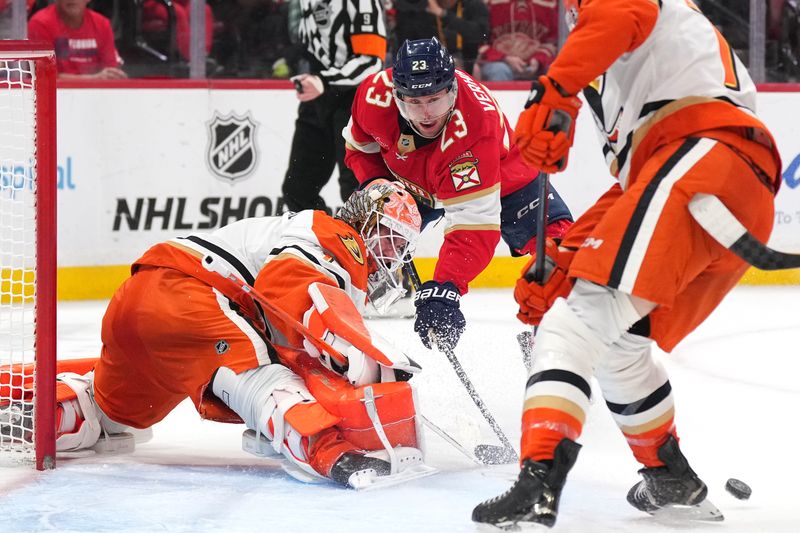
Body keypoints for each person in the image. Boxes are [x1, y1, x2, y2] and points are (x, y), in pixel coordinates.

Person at [472, 0, 782, 528]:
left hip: (702, 161)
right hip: (721, 185)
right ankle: (669, 476)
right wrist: (566, 261)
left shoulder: (611, 17)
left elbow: (618, 14)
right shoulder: (632, 62)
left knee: (574, 325)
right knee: (620, 340)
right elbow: (632, 192)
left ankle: (539, 482)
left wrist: (555, 90)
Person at [0, 180, 431, 489]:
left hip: (138, 304)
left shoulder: (305, 236)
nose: (393, 255)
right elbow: (291, 285)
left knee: (110, 413)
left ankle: (39, 416)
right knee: (267, 383)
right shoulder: (335, 236)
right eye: (392, 240)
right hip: (188, 295)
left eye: (403, 247)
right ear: (366, 224)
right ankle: (331, 453)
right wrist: (355, 355)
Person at [343, 37, 572, 352]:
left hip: (507, 179)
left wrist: (445, 286)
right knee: (354, 243)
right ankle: (338, 334)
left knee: (560, 257)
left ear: (452, 90)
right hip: (413, 181)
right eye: (414, 102)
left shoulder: (476, 126)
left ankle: (551, 349)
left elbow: (474, 225)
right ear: (396, 96)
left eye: (435, 99)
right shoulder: (373, 96)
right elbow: (359, 148)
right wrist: (381, 187)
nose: (426, 114)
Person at [280, 0, 388, 213]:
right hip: (318, 99)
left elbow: (371, 62)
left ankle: (371, 244)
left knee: (357, 189)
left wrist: (324, 80)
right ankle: (318, 242)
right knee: (298, 189)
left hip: (355, 100)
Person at [27, 0, 127, 79]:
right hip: (55, 95)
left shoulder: (102, 24)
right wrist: (94, 78)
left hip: (96, 94)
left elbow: (111, 71)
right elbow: (43, 76)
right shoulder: (40, 24)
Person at [392, 0, 489, 75]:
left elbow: (481, 33)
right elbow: (408, 44)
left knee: (488, 69)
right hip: (429, 60)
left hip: (468, 59)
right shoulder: (420, 7)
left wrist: (443, 14)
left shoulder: (471, 4)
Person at [478, 0, 558, 81]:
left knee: (555, 72)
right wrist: (505, 58)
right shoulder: (488, 4)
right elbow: (479, 43)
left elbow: (553, 42)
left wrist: (537, 59)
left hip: (538, 64)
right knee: (499, 71)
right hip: (499, 62)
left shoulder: (549, 4)